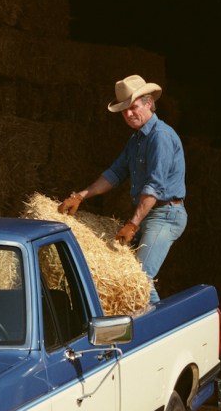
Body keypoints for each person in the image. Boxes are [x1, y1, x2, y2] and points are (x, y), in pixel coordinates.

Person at [58, 74, 187, 304]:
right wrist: (81, 195)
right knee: (123, 277)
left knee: (139, 279)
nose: (128, 114)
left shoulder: (161, 137)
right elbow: (115, 173)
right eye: (124, 111)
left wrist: (133, 223)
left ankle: (161, 331)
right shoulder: (136, 140)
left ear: (148, 103)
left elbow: (155, 186)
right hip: (149, 213)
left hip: (165, 215)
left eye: (133, 107)